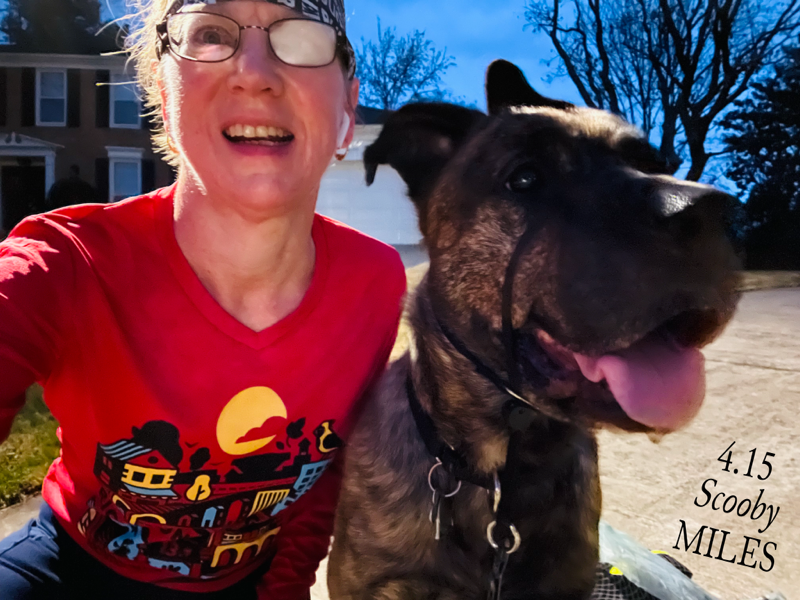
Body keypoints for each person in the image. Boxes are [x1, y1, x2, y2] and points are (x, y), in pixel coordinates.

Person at [0, 1, 406, 598]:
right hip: (68, 564)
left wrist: (283, 591)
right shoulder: (67, 264)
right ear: (166, 102)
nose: (256, 72)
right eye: (211, 35)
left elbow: (324, 473)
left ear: (347, 111)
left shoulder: (374, 282)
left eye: (300, 37)